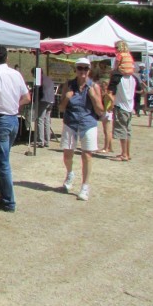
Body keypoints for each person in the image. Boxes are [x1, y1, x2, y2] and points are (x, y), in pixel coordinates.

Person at [0, 45, 30, 212]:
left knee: (2, 163)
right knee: (3, 160)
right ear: (7, 58)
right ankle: (4, 196)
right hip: (14, 119)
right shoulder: (16, 74)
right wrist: (14, 103)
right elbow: (27, 97)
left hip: (0, 119)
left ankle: (8, 201)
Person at [58, 58, 104, 201]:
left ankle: (85, 185)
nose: (82, 71)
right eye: (80, 68)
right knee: (67, 154)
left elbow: (101, 110)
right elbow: (60, 108)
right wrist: (66, 98)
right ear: (75, 70)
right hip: (70, 121)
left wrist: (94, 98)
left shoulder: (94, 87)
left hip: (88, 122)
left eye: (85, 68)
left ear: (89, 70)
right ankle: (70, 173)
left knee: (87, 155)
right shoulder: (68, 85)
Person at [110, 69, 137, 162]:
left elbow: (109, 92)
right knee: (127, 131)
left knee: (122, 131)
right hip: (129, 106)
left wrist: (111, 102)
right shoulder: (133, 78)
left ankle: (124, 154)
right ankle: (127, 153)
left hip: (120, 106)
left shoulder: (117, 78)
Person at [35, 72, 55, 148]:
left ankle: (40, 141)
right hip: (51, 100)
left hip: (44, 100)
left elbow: (37, 88)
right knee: (47, 120)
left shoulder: (39, 78)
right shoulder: (48, 78)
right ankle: (47, 141)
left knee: (40, 119)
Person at [96, 78, 114, 154]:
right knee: (107, 131)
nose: (102, 87)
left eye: (103, 85)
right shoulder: (107, 93)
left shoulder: (108, 93)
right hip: (107, 112)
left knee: (107, 131)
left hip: (107, 112)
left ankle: (106, 148)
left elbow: (113, 100)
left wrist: (110, 107)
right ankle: (109, 147)